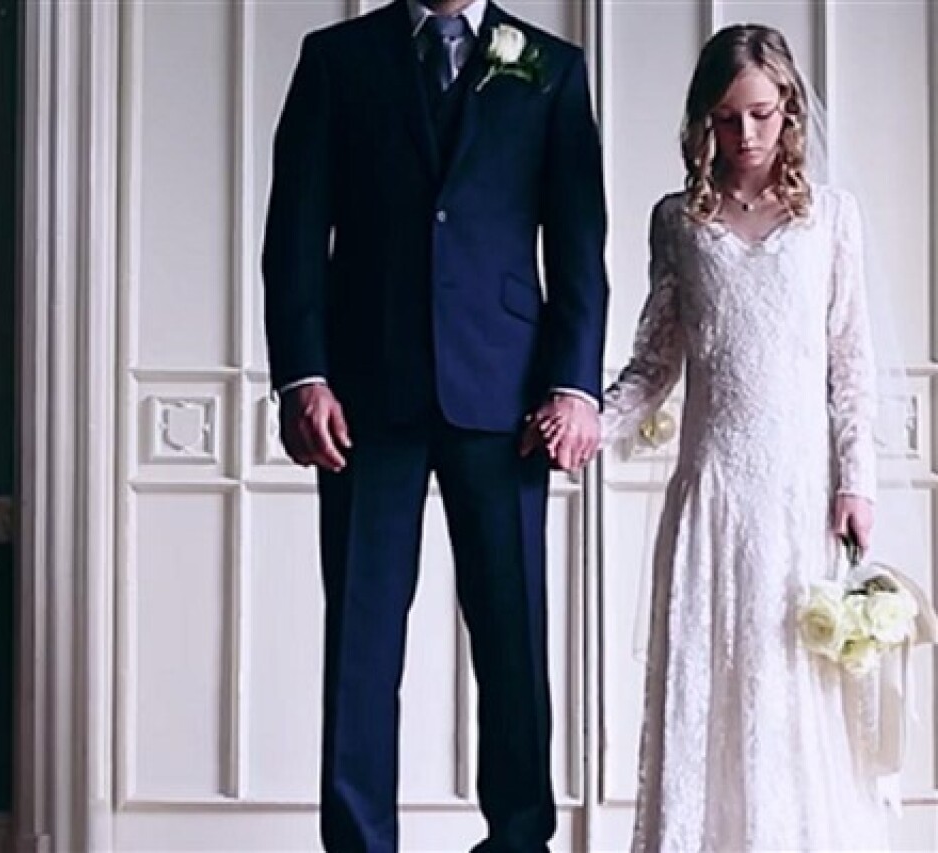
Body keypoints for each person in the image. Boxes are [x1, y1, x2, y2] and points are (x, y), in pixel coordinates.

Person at [261, 0, 608, 850]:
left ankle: (520, 839)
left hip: (506, 398)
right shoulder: (336, 59)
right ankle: (359, 841)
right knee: (361, 643)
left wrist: (574, 384)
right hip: (363, 396)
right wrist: (303, 374)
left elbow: (578, 242)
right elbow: (295, 231)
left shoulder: (551, 68)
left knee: (513, 637)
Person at [547, 22, 890, 851]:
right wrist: (587, 421)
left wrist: (857, 480)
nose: (746, 136)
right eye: (728, 119)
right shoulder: (679, 221)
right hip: (712, 493)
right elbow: (654, 364)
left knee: (790, 685)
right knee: (709, 680)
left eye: (762, 115)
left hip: (800, 494)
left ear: (789, 111)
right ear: (705, 119)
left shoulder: (830, 218)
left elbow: (851, 364)